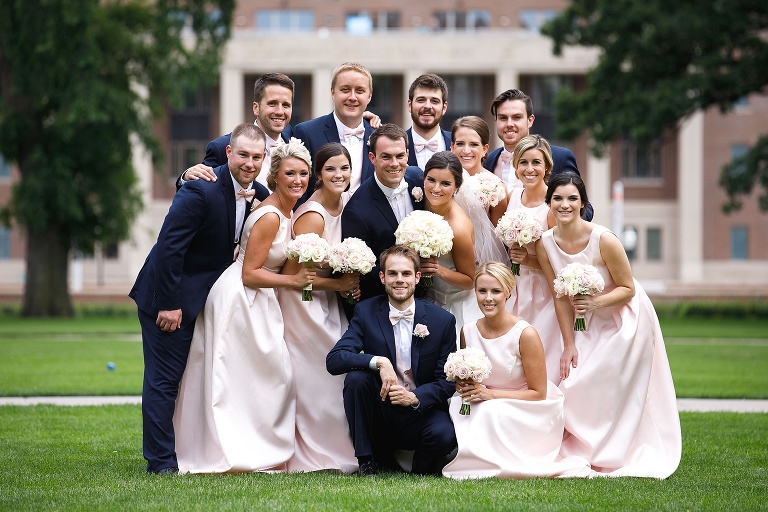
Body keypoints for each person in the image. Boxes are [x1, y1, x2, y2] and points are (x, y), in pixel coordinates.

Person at [129, 123, 266, 474]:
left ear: (264, 159)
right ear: (229, 153)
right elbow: (170, 250)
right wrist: (169, 304)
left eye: (256, 157)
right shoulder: (199, 189)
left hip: (206, 303)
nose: (249, 163)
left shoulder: (260, 193)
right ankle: (160, 463)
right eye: (243, 155)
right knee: (164, 382)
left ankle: (190, 452)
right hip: (169, 299)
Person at [173, 137, 315, 473]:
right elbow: (251, 273)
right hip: (241, 298)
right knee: (237, 377)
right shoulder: (270, 217)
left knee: (262, 376)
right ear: (276, 176)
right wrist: (294, 282)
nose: (298, 180)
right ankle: (229, 448)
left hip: (260, 298)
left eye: (304, 174)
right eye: (290, 174)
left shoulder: (285, 209)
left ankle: (255, 443)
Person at [536, 172, 682, 478]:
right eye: (558, 198)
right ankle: (584, 448)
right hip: (582, 318)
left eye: (572, 198)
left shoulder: (604, 239)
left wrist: (595, 303)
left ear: (583, 203)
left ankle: (615, 449)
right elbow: (559, 297)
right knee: (573, 381)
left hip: (623, 316)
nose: (564, 205)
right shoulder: (545, 244)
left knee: (602, 378)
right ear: (549, 202)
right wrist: (568, 345)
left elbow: (627, 288)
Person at [442, 263, 591, 479]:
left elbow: (538, 393)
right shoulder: (468, 331)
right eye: (482, 291)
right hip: (483, 399)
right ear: (475, 292)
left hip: (527, 405)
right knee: (460, 407)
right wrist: (465, 383)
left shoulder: (525, 334)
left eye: (496, 291)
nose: (488, 298)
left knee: (490, 411)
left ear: (508, 292)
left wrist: (490, 395)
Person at [326, 245, 458, 476]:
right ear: (382, 277)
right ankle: (367, 461)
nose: (399, 280)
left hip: (421, 410)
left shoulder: (442, 321)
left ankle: (421, 467)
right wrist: (379, 361)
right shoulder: (366, 311)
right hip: (382, 410)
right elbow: (334, 360)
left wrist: (415, 397)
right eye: (393, 273)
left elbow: (446, 382)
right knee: (357, 378)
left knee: (444, 436)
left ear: (417, 277)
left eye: (406, 274)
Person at [279, 143, 359, 473]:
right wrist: (339, 285)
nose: (338, 175)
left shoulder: (345, 205)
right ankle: (315, 452)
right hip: (305, 304)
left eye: (344, 168)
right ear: (319, 175)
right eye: (330, 169)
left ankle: (338, 447)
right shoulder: (313, 215)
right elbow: (294, 278)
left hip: (327, 301)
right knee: (319, 376)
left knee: (334, 373)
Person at [341, 123, 424, 307]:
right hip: (385, 302)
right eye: (386, 157)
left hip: (427, 296)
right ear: (373, 158)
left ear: (407, 155)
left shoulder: (418, 178)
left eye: (400, 156)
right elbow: (366, 271)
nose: (394, 164)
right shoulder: (356, 211)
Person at [484, 88, 594, 221]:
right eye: (503, 118)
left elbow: (584, 207)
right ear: (496, 120)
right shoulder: (487, 161)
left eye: (516, 117)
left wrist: (561, 230)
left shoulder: (560, 157)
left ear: (530, 120)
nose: (509, 124)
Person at [505, 135, 563, 383]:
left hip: (542, 292)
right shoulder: (513, 196)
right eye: (524, 162)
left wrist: (527, 260)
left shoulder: (552, 205)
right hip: (515, 287)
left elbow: (560, 264)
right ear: (516, 166)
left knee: (543, 349)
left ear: (547, 167)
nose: (530, 169)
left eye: (536, 163)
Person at [176, 73, 295, 193]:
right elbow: (195, 192)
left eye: (286, 105)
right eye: (272, 103)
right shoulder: (221, 147)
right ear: (256, 108)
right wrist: (185, 178)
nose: (280, 111)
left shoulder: (295, 142)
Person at [420, 151, 481, 342]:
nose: (436, 189)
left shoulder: (459, 228)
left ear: (457, 187)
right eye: (431, 180)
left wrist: (437, 270)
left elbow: (470, 280)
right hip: (429, 300)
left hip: (456, 305)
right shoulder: (423, 203)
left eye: (445, 183)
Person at [293, 62, 376, 199]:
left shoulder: (378, 135)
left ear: (369, 96)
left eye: (360, 91)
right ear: (333, 92)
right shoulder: (306, 132)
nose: (352, 97)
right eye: (345, 90)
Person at [450, 116, 509, 265]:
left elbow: (498, 236)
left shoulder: (495, 186)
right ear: (452, 147)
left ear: (484, 149)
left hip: (481, 261)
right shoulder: (442, 180)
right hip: (446, 254)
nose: (466, 150)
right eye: (460, 144)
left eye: (474, 144)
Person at [405, 74, 452, 169]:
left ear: (444, 108)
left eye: (434, 101)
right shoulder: (395, 143)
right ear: (410, 105)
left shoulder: (457, 143)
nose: (427, 106)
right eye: (421, 100)